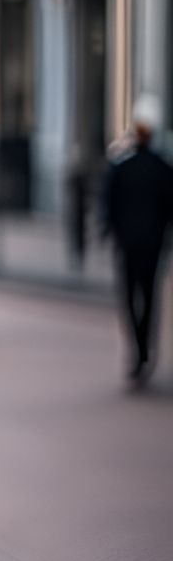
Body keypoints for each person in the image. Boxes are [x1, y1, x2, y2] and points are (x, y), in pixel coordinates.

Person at [100, 94, 173, 386]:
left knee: (130, 296)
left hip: (129, 243)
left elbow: (109, 205)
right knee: (150, 296)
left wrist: (110, 231)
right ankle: (144, 349)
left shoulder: (122, 166)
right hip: (152, 243)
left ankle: (138, 349)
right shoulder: (162, 168)